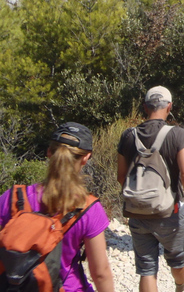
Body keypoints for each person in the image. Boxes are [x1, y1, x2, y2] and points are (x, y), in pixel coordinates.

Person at [0, 123, 114, 292]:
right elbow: (100, 273)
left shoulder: (13, 197)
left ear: (49, 152)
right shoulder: (89, 208)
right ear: (85, 158)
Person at [117, 86, 184, 292]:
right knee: (178, 259)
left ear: (145, 107)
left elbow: (121, 176)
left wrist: (140, 197)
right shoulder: (177, 134)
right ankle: (180, 288)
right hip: (169, 212)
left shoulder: (128, 135)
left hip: (137, 213)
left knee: (146, 269)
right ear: (169, 106)